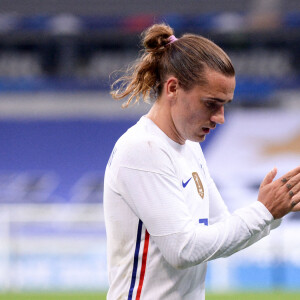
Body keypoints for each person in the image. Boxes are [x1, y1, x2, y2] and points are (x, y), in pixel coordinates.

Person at [103, 23, 300, 300]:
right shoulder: (142, 149)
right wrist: (263, 211)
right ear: (173, 88)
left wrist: (275, 211)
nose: (220, 117)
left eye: (224, 105)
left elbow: (222, 232)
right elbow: (183, 250)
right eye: (211, 103)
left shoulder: (190, 147)